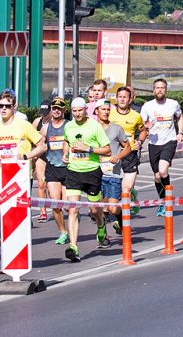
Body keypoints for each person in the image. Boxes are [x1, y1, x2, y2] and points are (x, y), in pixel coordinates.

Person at [0, 89, 46, 241]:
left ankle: (20, 243)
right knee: (4, 210)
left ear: (14, 107)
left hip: (21, 174)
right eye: (1, 106)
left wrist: (26, 156)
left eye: (7, 106)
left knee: (19, 212)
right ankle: (6, 242)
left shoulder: (24, 125)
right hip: (3, 174)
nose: (4, 109)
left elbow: (42, 146)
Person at [62, 97, 111, 262]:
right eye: (74, 111)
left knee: (95, 209)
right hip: (73, 172)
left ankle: (101, 225)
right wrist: (65, 154)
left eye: (79, 111)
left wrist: (88, 148)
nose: (77, 114)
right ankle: (73, 247)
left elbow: (108, 150)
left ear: (85, 110)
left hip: (92, 172)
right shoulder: (68, 126)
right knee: (73, 209)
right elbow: (67, 142)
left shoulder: (95, 126)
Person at [140, 79, 183, 216]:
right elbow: (141, 123)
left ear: (166, 89)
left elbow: (180, 117)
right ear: (153, 90)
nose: (160, 90)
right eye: (157, 88)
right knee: (157, 176)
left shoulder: (173, 104)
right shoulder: (147, 106)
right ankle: (163, 200)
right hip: (154, 143)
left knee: (163, 170)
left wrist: (180, 132)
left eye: (162, 88)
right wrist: (145, 128)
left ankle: (167, 200)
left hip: (169, 141)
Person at [97, 100, 132, 238]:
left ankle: (121, 221)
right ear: (96, 111)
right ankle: (102, 235)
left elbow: (128, 147)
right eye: (103, 109)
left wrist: (118, 156)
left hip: (113, 173)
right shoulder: (92, 128)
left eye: (107, 109)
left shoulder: (116, 129)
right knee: (99, 209)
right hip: (96, 173)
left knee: (112, 208)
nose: (106, 112)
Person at [109, 87, 147, 215]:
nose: (122, 99)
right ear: (116, 97)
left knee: (126, 189)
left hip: (129, 155)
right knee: (115, 191)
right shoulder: (110, 114)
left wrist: (140, 141)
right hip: (113, 155)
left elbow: (143, 131)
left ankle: (123, 221)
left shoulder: (136, 116)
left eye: (125, 97)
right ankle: (120, 217)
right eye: (120, 96)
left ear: (130, 99)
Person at [40, 96, 71, 244]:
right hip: (52, 168)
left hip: (68, 168)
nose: (56, 111)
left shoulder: (69, 126)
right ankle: (63, 232)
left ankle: (72, 229)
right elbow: (41, 146)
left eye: (59, 108)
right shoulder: (46, 127)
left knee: (67, 206)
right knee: (55, 204)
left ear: (64, 110)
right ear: (51, 110)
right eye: (54, 108)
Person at [32, 98, 52, 223]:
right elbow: (31, 137)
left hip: (54, 155)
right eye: (42, 112)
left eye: (46, 112)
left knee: (52, 186)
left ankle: (57, 206)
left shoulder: (56, 122)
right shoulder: (37, 122)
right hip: (41, 155)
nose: (44, 115)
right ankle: (42, 211)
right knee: (41, 184)